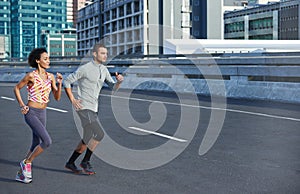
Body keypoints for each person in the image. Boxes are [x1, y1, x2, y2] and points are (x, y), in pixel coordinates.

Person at [63, 43, 123, 175]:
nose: (105, 55)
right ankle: (85, 161)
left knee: (88, 136)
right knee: (99, 134)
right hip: (83, 107)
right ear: (95, 54)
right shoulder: (85, 68)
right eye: (102, 53)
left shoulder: (104, 70)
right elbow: (66, 81)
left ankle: (70, 162)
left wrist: (118, 82)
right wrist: (73, 99)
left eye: (106, 53)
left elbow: (113, 89)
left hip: (94, 108)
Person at [14, 48, 63, 183]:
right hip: (31, 112)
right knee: (47, 141)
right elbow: (17, 88)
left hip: (43, 112)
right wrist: (22, 105)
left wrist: (59, 83)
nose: (48, 61)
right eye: (45, 58)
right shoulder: (31, 76)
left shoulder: (51, 77)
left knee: (36, 142)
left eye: (48, 58)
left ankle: (21, 173)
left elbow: (57, 97)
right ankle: (27, 163)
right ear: (38, 61)